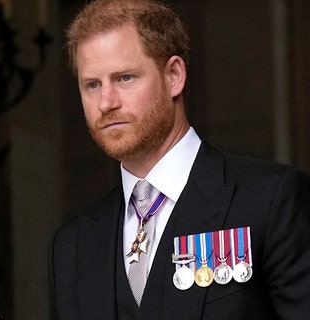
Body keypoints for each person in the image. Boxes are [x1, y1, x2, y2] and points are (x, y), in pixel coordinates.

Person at [49, 0, 310, 319]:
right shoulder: (73, 245)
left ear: (174, 75)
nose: (106, 102)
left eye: (125, 78)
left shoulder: (270, 201)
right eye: (92, 84)